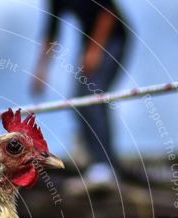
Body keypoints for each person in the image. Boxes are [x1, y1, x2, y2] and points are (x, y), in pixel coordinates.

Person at [31, 0, 129, 191]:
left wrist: (94, 50)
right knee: (79, 99)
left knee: (92, 93)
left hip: (113, 36)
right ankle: (98, 163)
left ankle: (104, 166)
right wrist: (41, 69)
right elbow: (51, 33)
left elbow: (108, 13)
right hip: (90, 41)